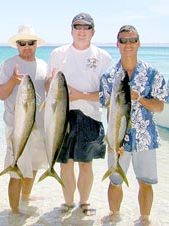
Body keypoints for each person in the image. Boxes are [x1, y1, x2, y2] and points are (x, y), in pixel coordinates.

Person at [99, 25, 168, 223]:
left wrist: (140, 99)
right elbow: (109, 110)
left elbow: (160, 107)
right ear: (117, 44)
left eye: (132, 40)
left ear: (139, 43)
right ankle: (114, 218)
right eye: (123, 40)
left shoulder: (153, 73)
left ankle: (144, 220)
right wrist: (113, 141)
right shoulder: (108, 76)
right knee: (115, 182)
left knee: (146, 183)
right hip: (117, 141)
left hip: (145, 138)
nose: (128, 44)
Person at [46, 12, 113, 215]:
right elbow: (48, 85)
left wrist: (80, 95)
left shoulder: (103, 57)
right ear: (71, 29)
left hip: (90, 117)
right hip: (61, 116)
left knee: (86, 164)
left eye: (86, 27)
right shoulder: (58, 53)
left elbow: (108, 95)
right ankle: (67, 202)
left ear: (93, 31)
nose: (81, 31)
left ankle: (84, 202)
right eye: (77, 26)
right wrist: (52, 85)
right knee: (65, 164)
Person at [0, 25, 48, 213]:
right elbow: (2, 95)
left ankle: (25, 197)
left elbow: (48, 91)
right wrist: (12, 80)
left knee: (34, 166)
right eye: (22, 43)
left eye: (31, 42)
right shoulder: (8, 64)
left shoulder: (43, 65)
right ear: (17, 45)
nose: (27, 46)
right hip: (16, 126)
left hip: (39, 127)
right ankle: (14, 213)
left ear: (36, 44)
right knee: (16, 171)